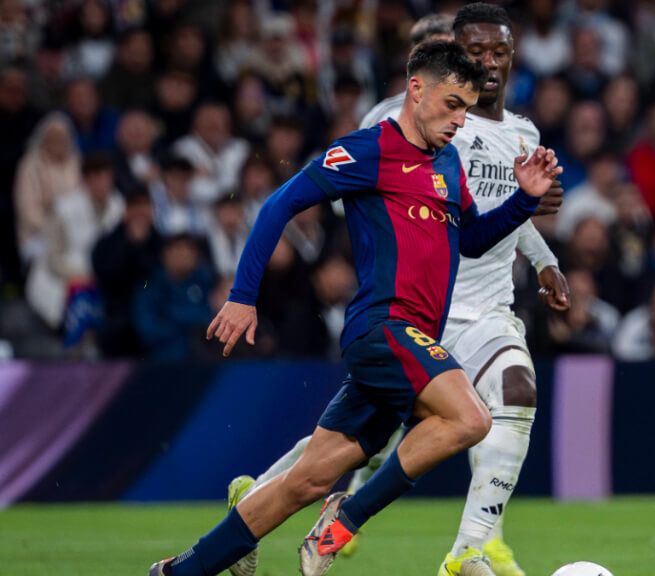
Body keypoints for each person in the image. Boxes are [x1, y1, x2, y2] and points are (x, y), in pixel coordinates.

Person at [149, 40, 562, 576]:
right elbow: (279, 205)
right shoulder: (369, 151)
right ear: (417, 89)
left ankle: (179, 571)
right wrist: (243, 297)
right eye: (452, 104)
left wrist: (524, 198)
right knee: (470, 418)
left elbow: (473, 239)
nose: (461, 120)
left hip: (408, 343)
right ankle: (344, 519)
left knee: (306, 480)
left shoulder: (448, 161)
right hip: (383, 328)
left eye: (467, 107)